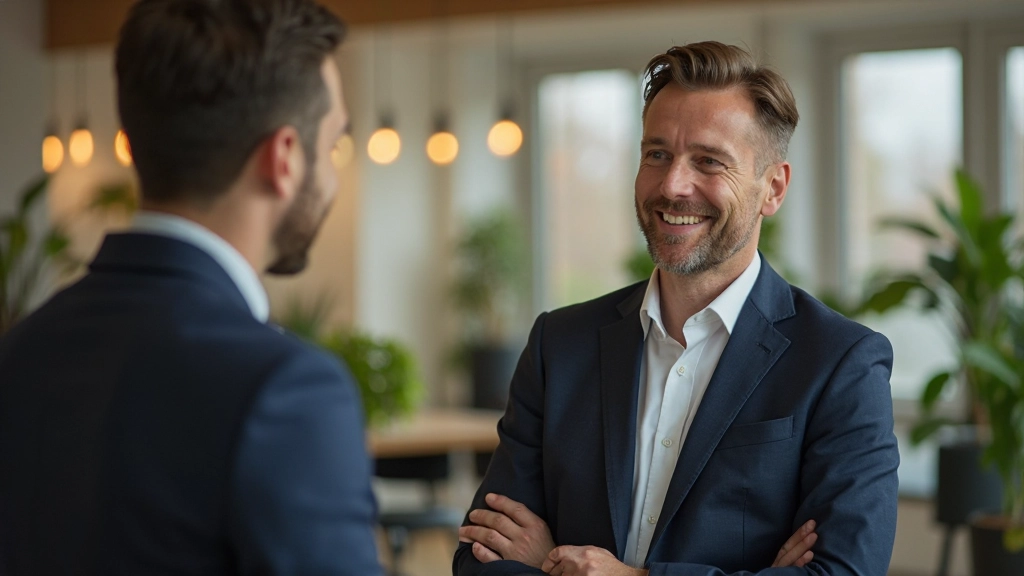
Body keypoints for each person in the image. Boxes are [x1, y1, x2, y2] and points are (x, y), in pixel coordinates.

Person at [455, 41, 899, 576]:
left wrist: (596, 571)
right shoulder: (560, 344)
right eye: (657, 154)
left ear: (773, 188)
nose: (672, 185)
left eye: (709, 161)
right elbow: (480, 555)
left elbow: (843, 572)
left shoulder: (839, 362)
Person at [0, 1, 381, 574]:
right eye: (330, 147)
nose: (329, 173)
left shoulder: (20, 353)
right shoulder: (286, 391)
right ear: (282, 159)